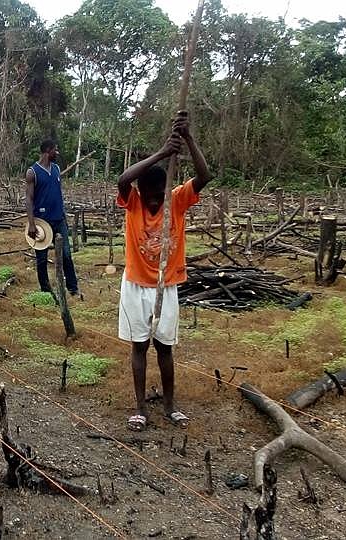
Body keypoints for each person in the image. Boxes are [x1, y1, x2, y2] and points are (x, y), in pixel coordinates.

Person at [116, 111, 211, 432]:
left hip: (165, 286)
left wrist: (188, 138)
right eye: (152, 199)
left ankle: (170, 406)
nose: (156, 205)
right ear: (142, 194)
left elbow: (204, 175)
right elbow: (123, 179)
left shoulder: (177, 200)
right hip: (136, 286)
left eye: (160, 198)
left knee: (165, 348)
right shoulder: (133, 202)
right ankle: (140, 408)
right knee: (139, 347)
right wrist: (162, 152)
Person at [26, 140, 79, 297]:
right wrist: (31, 223)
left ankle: (73, 288)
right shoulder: (32, 172)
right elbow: (29, 199)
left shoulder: (56, 169)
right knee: (42, 259)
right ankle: (45, 290)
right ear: (47, 151)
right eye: (55, 150)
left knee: (67, 255)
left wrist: (63, 214)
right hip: (41, 222)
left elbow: (57, 193)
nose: (57, 152)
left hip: (59, 219)